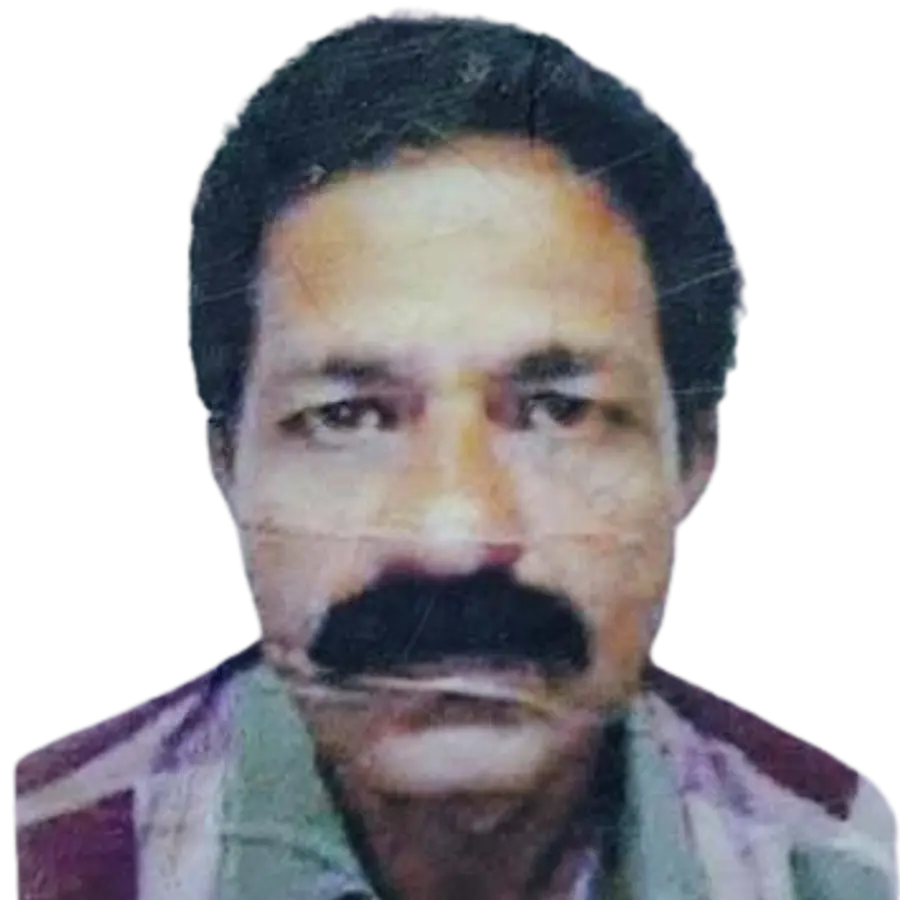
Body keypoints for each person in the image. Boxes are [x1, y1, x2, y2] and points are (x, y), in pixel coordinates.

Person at [11, 8, 897, 900]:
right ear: (226, 468)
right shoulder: (42, 864)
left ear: (695, 462)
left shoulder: (854, 870)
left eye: (557, 412)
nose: (455, 536)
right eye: (349, 417)